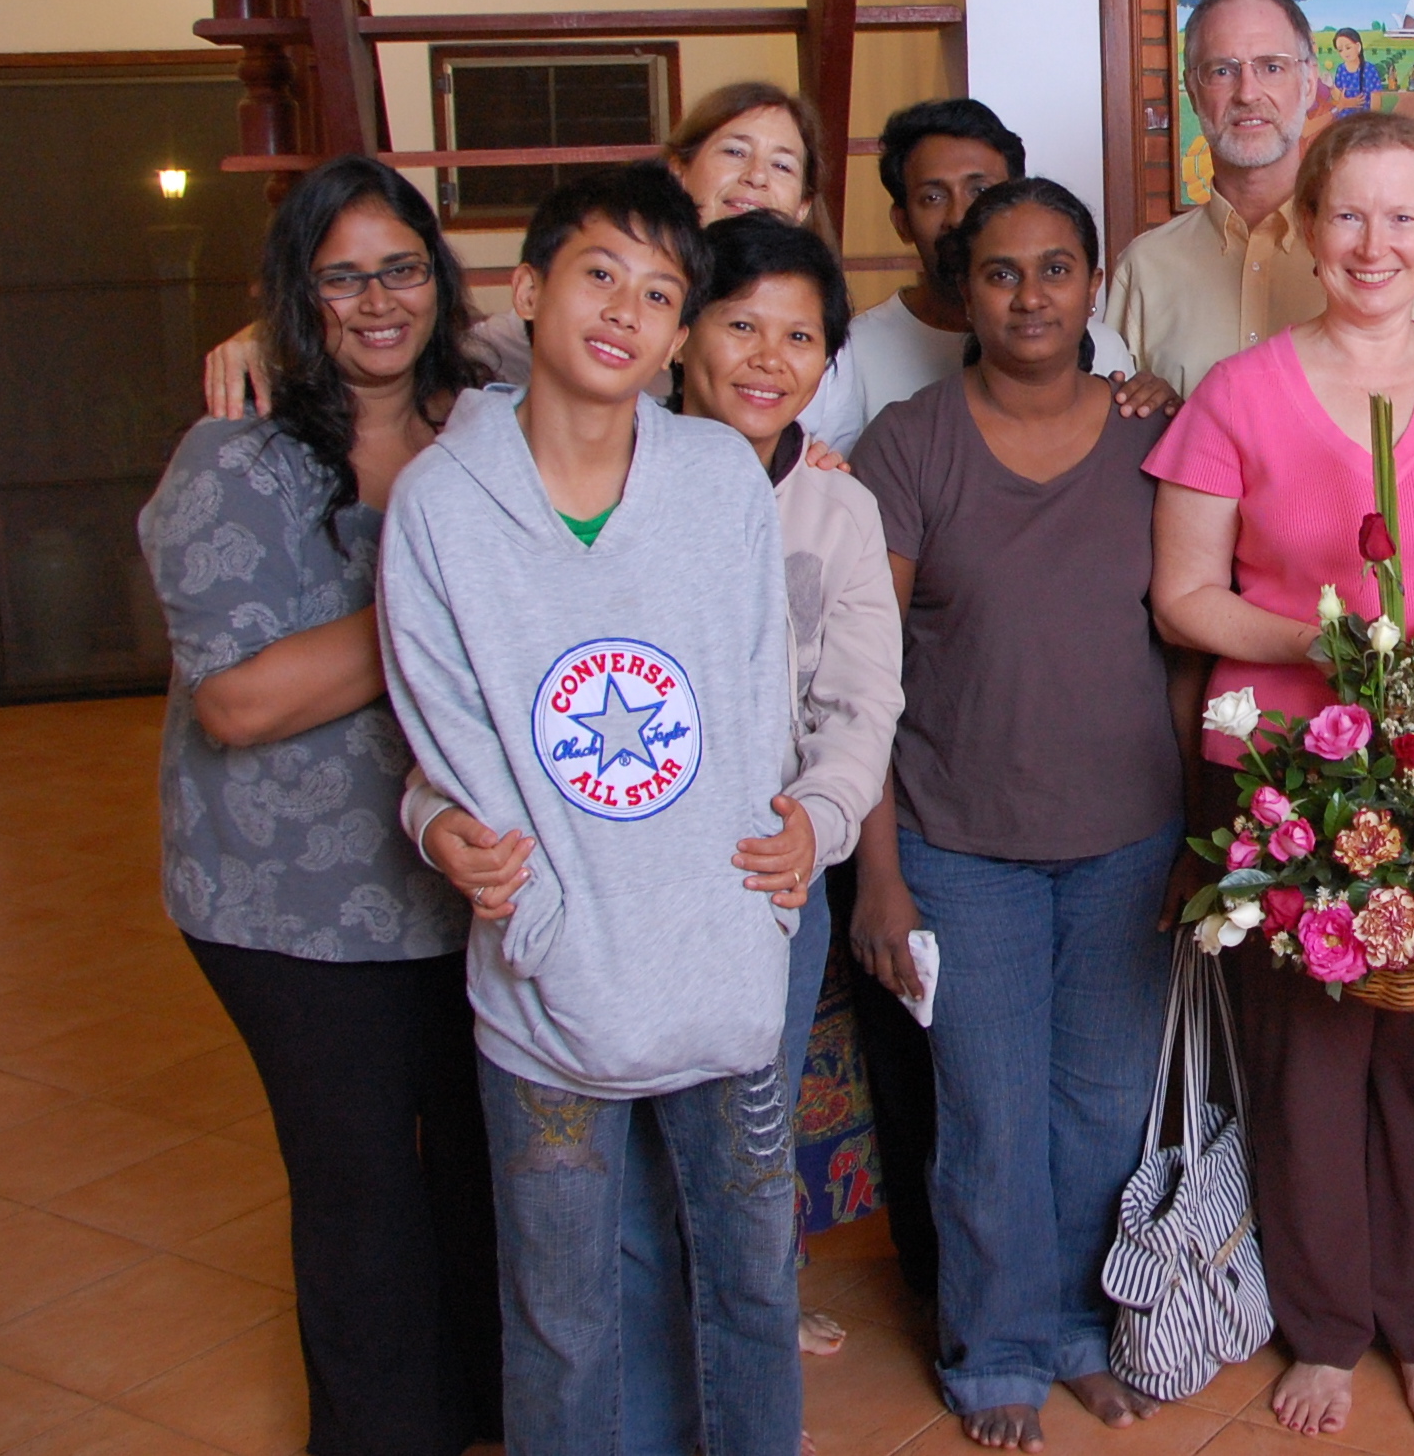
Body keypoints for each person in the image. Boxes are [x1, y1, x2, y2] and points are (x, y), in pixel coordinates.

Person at [409, 212, 906, 1444]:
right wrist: (462, 843)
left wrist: (812, 828)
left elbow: (815, 711)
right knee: (579, 1283)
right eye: (741, 323)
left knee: (746, 1253)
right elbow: (458, 715)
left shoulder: (768, 492)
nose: (767, 355)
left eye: (800, 336)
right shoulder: (451, 498)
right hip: (554, 952)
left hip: (739, 916)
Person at [1147, 112, 1414, 1438]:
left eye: (1403, 218)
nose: (1373, 244)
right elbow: (1182, 597)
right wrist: (1323, 646)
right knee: (1308, 1069)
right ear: (1305, 228)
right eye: (1347, 215)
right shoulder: (1238, 393)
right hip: (1293, 782)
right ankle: (1326, 1329)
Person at [138, 155, 501, 1456]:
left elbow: (612, 334)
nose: (376, 301)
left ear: (438, 278)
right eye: (339, 279)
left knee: (481, 1161)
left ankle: (489, 1409)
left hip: (465, 881)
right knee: (361, 1185)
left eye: (400, 268)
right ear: (295, 295)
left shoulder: (490, 420)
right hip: (286, 902)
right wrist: (453, 604)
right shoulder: (234, 455)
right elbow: (238, 702)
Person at [847, 178, 1197, 1454]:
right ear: (963, 291)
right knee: (990, 1117)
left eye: (1057, 268)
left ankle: (1078, 1331)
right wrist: (880, 875)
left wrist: (1200, 837)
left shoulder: (1157, 437)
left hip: (1131, 843)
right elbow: (860, 677)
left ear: (1095, 285)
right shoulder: (909, 444)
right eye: (1001, 271)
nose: (1031, 294)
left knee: (1101, 1113)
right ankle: (992, 1348)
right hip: (957, 847)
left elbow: (1185, 655)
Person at [198, 81, 834, 418]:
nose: (756, 178)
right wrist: (277, 332)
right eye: (734, 151)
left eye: (782, 164)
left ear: (804, 205)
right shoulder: (559, 326)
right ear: (677, 169)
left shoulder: (815, 336)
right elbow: (420, 343)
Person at [1107, 0, 1414, 394]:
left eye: (1271, 67)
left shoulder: (1382, 262)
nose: (1247, 93)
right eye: (1222, 71)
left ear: (1309, 82)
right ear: (1193, 91)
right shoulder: (1145, 270)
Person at [801, 97, 1161, 457]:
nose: (959, 216)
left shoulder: (1102, 347)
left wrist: (1164, 412)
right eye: (933, 197)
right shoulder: (854, 352)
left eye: (982, 191)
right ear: (902, 222)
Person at [1327, 26, 1388, 117]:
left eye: (1348, 48)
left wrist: (1371, 121)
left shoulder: (1369, 69)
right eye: (1340, 50)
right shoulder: (1340, 69)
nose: (1345, 53)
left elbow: (1376, 100)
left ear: (1358, 47)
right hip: (1343, 119)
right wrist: (1331, 86)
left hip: (1364, 119)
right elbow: (1338, 98)